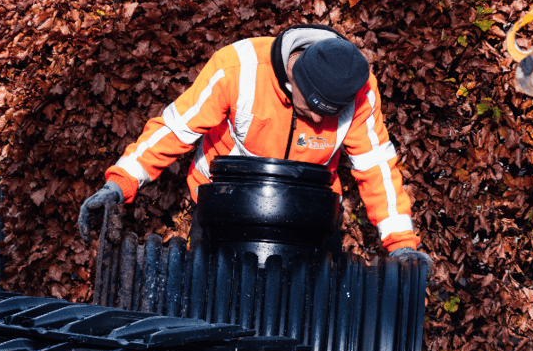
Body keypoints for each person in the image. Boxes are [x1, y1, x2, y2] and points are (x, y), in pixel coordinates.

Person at [82, 24, 432, 266]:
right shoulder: (239, 67)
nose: (315, 122)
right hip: (223, 215)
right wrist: (118, 184)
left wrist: (401, 244)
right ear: (293, 81)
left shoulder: (357, 89)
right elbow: (174, 129)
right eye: (310, 110)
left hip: (309, 223)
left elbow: (377, 167)